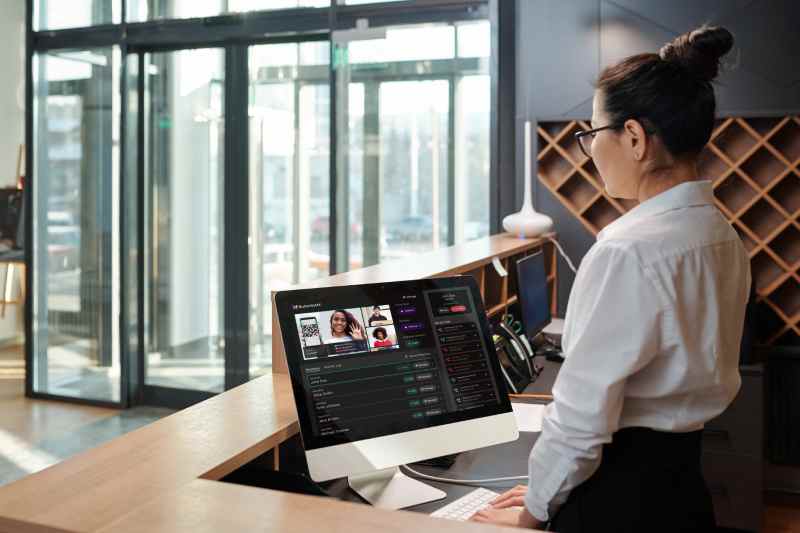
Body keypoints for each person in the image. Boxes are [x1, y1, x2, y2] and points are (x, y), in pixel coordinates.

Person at [473, 26, 750, 532]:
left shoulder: (628, 250)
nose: (589, 150)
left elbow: (581, 421)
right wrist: (542, 490)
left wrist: (532, 512)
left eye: (591, 134)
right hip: (680, 490)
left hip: (617, 502)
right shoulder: (719, 233)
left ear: (635, 138)